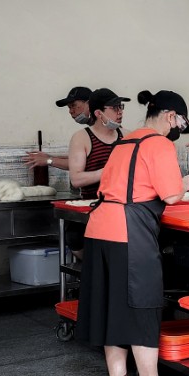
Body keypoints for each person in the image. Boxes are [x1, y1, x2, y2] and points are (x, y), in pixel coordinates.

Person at [75, 89, 189, 376]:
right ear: (171, 117)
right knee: (143, 304)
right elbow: (170, 196)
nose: (177, 132)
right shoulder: (158, 143)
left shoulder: (124, 142)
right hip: (128, 232)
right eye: (180, 125)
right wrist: (185, 183)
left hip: (99, 229)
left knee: (111, 306)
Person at [63, 88, 128, 261]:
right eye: (114, 108)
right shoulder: (82, 138)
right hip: (92, 208)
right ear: (99, 113)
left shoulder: (126, 136)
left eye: (121, 107)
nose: (120, 111)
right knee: (74, 237)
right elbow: (76, 179)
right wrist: (107, 172)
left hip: (123, 208)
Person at [23, 86, 92, 171]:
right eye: (69, 107)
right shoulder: (93, 129)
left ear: (89, 104)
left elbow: (83, 163)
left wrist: (48, 160)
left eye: (73, 105)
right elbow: (81, 158)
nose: (70, 111)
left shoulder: (101, 129)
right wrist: (50, 157)